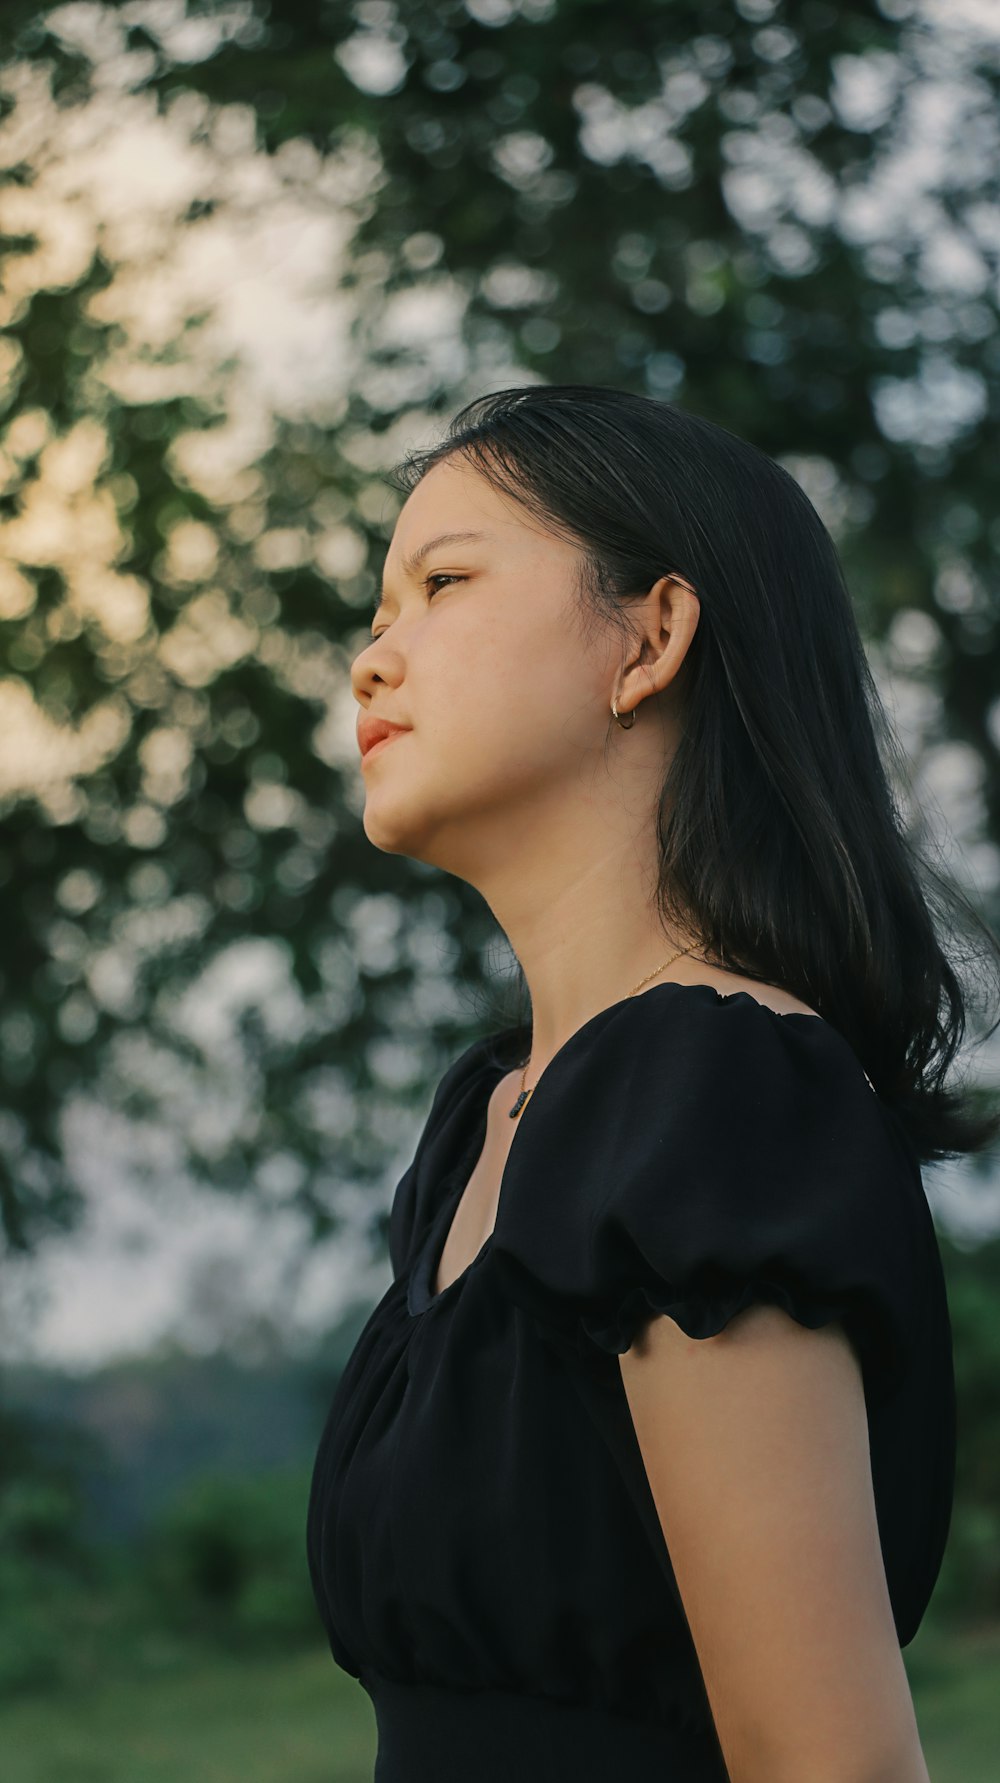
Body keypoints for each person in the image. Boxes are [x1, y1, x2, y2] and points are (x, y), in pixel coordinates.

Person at [306, 384, 1000, 1781]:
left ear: (651, 636)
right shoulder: (487, 1117)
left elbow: (833, 1768)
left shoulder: (714, 1091)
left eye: (441, 583)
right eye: (378, 611)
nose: (373, 658)